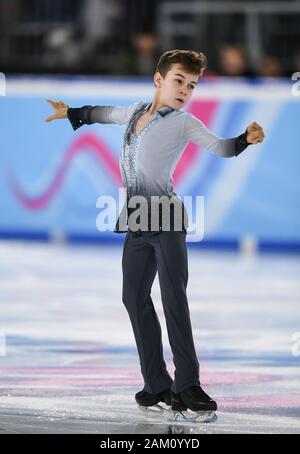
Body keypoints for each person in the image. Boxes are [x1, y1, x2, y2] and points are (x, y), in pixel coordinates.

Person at [45, 49, 265, 416]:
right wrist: (71, 113)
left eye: (191, 85)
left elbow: (220, 146)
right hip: (137, 218)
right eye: (179, 81)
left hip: (167, 220)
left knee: (173, 298)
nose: (184, 90)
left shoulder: (185, 123)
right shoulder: (132, 112)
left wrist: (244, 139)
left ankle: (188, 385)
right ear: (159, 80)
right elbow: (101, 114)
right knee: (133, 297)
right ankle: (156, 384)